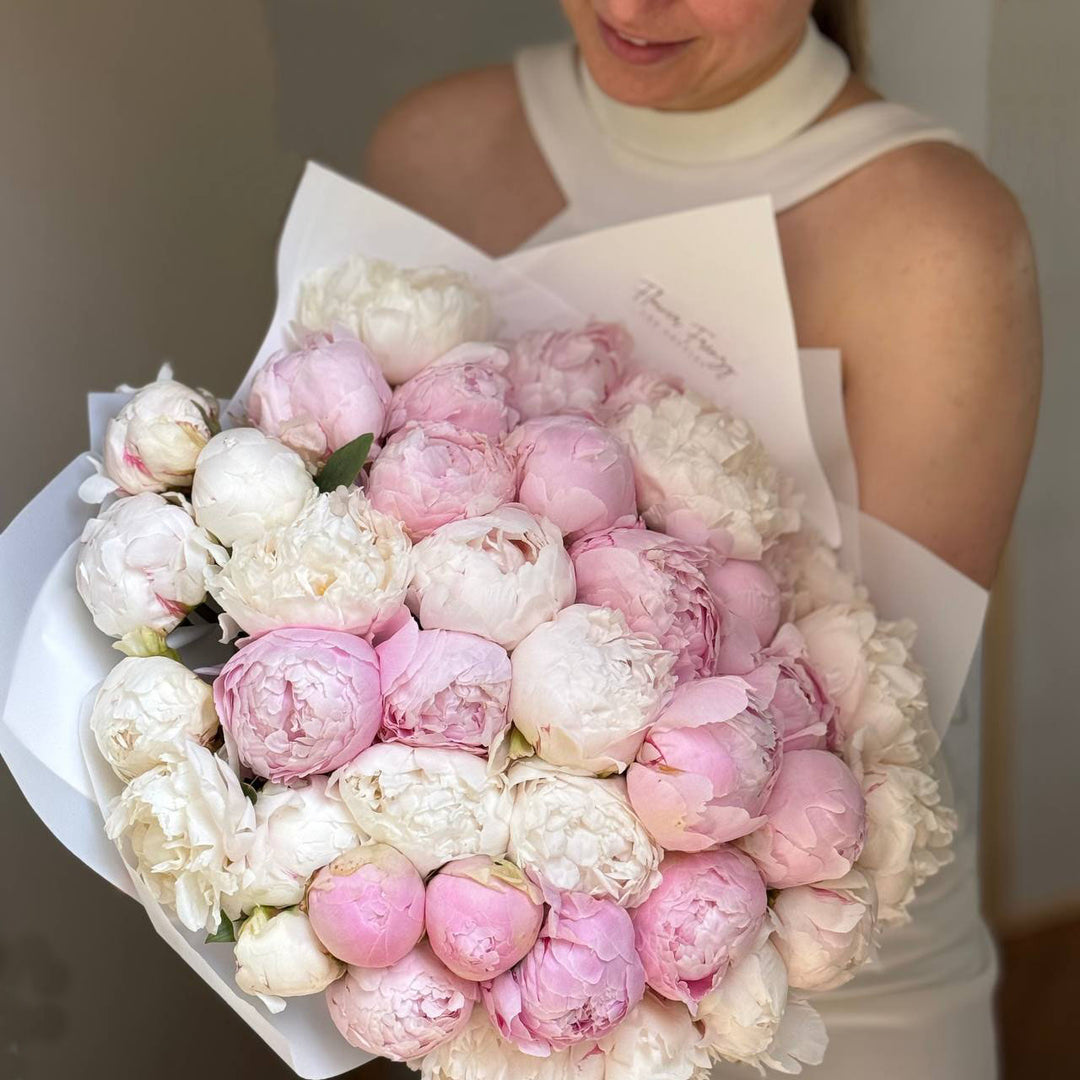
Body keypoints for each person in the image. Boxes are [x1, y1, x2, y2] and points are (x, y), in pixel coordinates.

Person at [364, 2, 1041, 1077]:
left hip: (810, 993)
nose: (633, 5)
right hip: (484, 978)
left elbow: (881, 723)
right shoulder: (433, 147)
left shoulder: (938, 238)